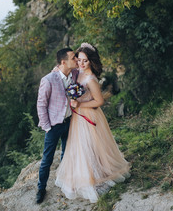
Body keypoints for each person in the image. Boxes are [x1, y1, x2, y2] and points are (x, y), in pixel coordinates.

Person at [55, 43, 130, 203]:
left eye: (85, 61)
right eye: (79, 59)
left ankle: (98, 177)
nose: (81, 63)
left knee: (92, 146)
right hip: (78, 116)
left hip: (89, 114)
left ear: (91, 62)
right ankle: (87, 175)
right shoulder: (78, 73)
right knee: (81, 147)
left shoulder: (90, 78)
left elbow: (99, 101)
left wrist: (80, 104)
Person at [36, 47, 78, 204]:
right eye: (73, 58)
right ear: (63, 62)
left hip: (70, 121)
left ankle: (65, 182)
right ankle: (41, 188)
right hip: (53, 126)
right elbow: (41, 105)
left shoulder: (74, 73)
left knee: (66, 154)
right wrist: (47, 127)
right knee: (47, 159)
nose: (76, 60)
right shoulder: (48, 80)